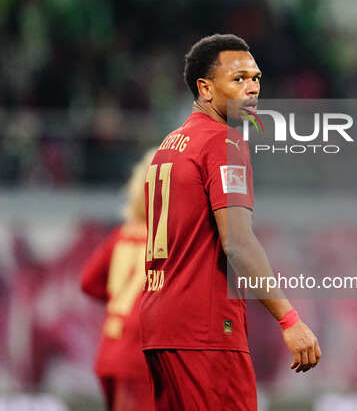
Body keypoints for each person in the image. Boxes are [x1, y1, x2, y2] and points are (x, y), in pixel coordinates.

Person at [139, 34, 322, 411]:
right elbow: (237, 241)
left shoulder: (170, 145)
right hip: (206, 329)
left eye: (255, 78)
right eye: (238, 79)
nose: (252, 88)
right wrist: (290, 320)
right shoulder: (223, 143)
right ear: (205, 88)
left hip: (161, 324)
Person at [81, 148, 156, 411]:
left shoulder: (123, 234)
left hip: (110, 350)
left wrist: (118, 300)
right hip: (140, 357)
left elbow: (88, 281)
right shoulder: (166, 242)